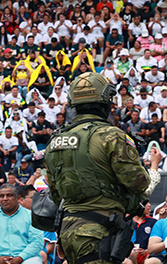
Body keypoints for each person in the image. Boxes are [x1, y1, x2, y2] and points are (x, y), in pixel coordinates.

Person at [45, 72, 158, 264]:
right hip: (99, 231)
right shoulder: (111, 136)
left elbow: (56, 193)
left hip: (67, 230)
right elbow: (139, 183)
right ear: (106, 102)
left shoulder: (56, 139)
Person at [0, 185, 43, 264]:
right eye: (2, 196)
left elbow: (37, 242)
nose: (5, 199)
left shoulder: (31, 217)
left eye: (9, 195)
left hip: (26, 258)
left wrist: (20, 258)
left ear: (18, 198)